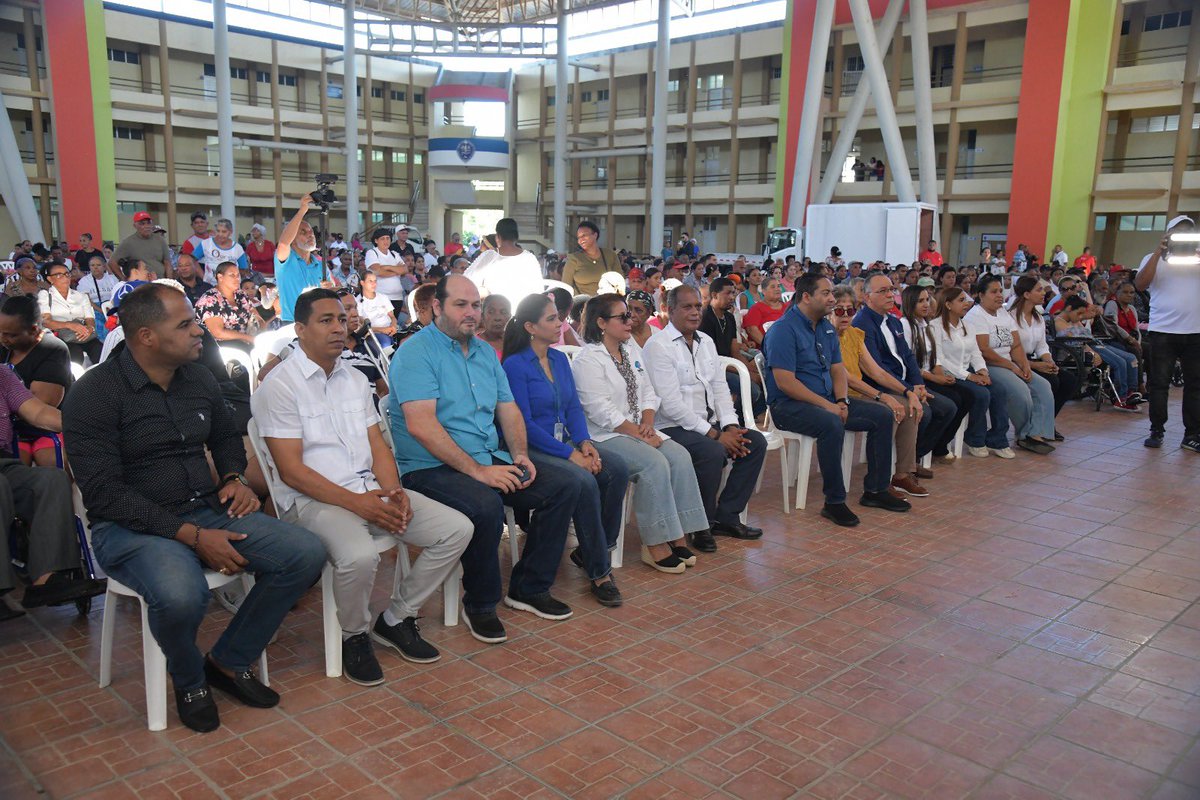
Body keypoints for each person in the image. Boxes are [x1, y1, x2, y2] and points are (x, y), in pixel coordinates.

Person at [63, 284, 326, 732]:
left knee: (305, 553)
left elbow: (225, 437)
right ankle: (188, 680)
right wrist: (193, 537)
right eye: (184, 324)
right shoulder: (95, 394)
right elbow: (105, 493)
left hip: (205, 508)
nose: (197, 329)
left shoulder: (198, 377)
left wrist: (233, 478)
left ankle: (227, 660)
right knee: (183, 595)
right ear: (145, 336)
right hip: (130, 527)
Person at [252, 289, 470, 683]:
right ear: (299, 329)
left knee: (456, 529)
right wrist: (359, 504)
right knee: (359, 556)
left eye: (341, 318)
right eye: (325, 321)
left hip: (367, 489)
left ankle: (396, 618)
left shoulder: (353, 378)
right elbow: (291, 472)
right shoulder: (280, 386)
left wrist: (394, 492)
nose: (338, 327)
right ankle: (354, 635)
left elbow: (376, 443)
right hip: (312, 501)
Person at [389, 275, 580, 644]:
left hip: (486, 457)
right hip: (428, 467)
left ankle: (528, 587)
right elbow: (421, 426)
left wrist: (520, 454)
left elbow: (508, 409)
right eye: (461, 305)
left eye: (475, 305)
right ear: (437, 307)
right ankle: (480, 604)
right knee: (486, 503)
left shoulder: (482, 353)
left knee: (565, 484)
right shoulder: (416, 352)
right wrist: (479, 471)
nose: (472, 313)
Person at [501, 294, 629, 607]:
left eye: (559, 317)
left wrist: (584, 442)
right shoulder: (515, 365)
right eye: (551, 319)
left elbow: (572, 406)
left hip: (565, 441)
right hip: (532, 447)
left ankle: (592, 550)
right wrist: (569, 454)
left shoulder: (559, 359)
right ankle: (600, 572)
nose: (560, 323)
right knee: (582, 481)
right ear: (530, 326)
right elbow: (524, 424)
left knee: (616, 469)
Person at [571, 293, 712, 567]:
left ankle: (678, 536)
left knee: (680, 457)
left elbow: (649, 391)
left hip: (639, 428)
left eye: (631, 314)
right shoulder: (588, 359)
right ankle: (655, 543)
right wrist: (638, 433)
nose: (631, 320)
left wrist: (647, 424)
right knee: (654, 464)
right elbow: (599, 410)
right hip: (605, 435)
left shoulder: (630, 348)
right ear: (601, 322)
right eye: (622, 316)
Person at [763, 274, 911, 527]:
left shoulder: (826, 327)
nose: (832, 298)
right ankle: (834, 502)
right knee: (831, 423)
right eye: (825, 293)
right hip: (788, 406)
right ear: (806, 297)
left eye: (832, 292)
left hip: (828, 400)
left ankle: (875, 491)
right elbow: (785, 382)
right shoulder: (783, 330)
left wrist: (841, 400)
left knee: (882, 415)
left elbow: (837, 370)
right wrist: (829, 406)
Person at [643, 285, 767, 541]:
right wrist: (714, 434)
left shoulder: (706, 341)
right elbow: (670, 405)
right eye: (687, 307)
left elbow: (719, 387)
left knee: (755, 443)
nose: (694, 312)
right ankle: (700, 524)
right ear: (670, 310)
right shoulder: (658, 346)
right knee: (712, 451)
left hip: (708, 424)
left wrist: (731, 426)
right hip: (671, 427)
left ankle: (727, 516)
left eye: (698, 306)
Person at [0, 365, 102, 620]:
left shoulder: (2, 374)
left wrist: (85, 425)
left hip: (4, 463)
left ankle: (47, 580)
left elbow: (36, 412)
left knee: (51, 480)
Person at [854, 274, 956, 475]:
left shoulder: (893, 321)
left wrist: (918, 384)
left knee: (948, 408)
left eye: (891, 289)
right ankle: (904, 466)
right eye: (882, 291)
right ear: (867, 298)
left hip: (905, 383)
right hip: (882, 386)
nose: (890, 294)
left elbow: (907, 357)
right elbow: (877, 369)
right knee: (922, 412)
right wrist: (908, 389)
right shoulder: (863, 324)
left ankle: (914, 456)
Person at [966, 274, 1057, 454]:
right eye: (994, 292)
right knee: (1020, 391)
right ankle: (1024, 435)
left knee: (1043, 386)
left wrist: (1024, 364)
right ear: (981, 295)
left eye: (1000, 291)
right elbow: (984, 350)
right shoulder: (975, 315)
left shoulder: (1002, 313)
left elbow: (1015, 344)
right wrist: (1012, 367)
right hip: (988, 365)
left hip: (1009, 363)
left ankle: (1036, 433)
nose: (999, 295)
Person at [925, 287, 1014, 458]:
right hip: (948, 373)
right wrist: (969, 376)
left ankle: (998, 439)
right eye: (961, 300)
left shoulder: (968, 325)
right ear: (948, 304)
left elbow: (975, 353)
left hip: (968, 370)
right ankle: (975, 438)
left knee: (999, 390)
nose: (966, 304)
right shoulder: (935, 326)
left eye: (966, 299)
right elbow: (940, 359)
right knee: (980, 394)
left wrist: (982, 371)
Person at [1135, 216, 1200, 451]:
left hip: (1196, 331)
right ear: (1168, 234)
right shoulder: (1153, 258)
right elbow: (1140, 284)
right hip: (1163, 330)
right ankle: (1157, 430)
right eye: (1177, 232)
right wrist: (1158, 252)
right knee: (1159, 383)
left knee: (1195, 385)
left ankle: (1192, 434)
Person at [0, 295, 74, 467]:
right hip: (13, 428)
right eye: (0, 332)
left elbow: (43, 404)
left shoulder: (53, 349)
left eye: (11, 335)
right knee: (16, 465)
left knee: (52, 465)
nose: (3, 339)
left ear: (34, 330)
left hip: (45, 428)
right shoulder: (4, 347)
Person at [1010, 276, 1076, 433]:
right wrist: (1036, 365)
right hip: (1017, 362)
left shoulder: (1038, 317)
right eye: (1038, 290)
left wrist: (1049, 362)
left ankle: (1047, 422)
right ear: (1026, 294)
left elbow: (1042, 346)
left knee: (1069, 380)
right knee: (1052, 381)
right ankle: (1036, 425)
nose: (1043, 293)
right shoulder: (1011, 317)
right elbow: (1009, 351)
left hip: (1035, 359)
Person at [1055, 296, 1141, 410]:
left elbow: (1086, 334)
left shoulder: (1073, 320)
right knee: (1120, 362)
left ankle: (1132, 391)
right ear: (1069, 308)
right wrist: (1093, 353)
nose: (1080, 317)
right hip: (1084, 349)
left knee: (1131, 358)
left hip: (1094, 343)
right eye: (1079, 313)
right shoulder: (1058, 322)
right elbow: (1078, 341)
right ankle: (1121, 397)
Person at [464, 218, 544, 308]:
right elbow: (538, 291)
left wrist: (485, 291)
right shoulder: (529, 258)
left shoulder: (489, 256)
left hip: (494, 315)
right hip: (524, 315)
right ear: (516, 237)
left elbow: (466, 282)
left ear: (498, 237)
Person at [274, 194, 329, 323]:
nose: (310, 235)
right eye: (303, 232)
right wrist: (302, 210)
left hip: (317, 323)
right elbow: (283, 243)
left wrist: (330, 289)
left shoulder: (320, 265)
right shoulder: (285, 260)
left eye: (311, 231)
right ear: (293, 240)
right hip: (292, 323)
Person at [38, 262, 101, 365]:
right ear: (50, 279)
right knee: (74, 355)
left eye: (67, 274)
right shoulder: (45, 295)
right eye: (59, 275)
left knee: (99, 351)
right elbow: (46, 322)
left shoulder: (81, 296)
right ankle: (75, 380)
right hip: (61, 337)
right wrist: (69, 325)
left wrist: (90, 329)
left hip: (83, 333)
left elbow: (90, 318)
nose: (65, 277)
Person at [195, 262, 260, 353]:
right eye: (232, 275)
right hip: (220, 348)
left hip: (246, 341)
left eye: (238, 275)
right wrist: (249, 338)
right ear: (220, 277)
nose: (237, 278)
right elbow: (218, 332)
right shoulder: (210, 299)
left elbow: (257, 316)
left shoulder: (240, 294)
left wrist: (261, 332)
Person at [563, 221, 619, 296]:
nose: (581, 240)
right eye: (578, 237)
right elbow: (566, 286)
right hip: (582, 304)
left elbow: (619, 281)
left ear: (595, 235)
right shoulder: (574, 258)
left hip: (606, 303)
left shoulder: (610, 255)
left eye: (584, 235)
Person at [112, 211, 172, 280]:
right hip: (142, 284)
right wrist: (124, 280)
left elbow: (167, 263)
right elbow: (112, 263)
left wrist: (169, 282)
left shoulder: (160, 240)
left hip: (161, 282)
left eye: (149, 223)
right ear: (135, 226)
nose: (146, 226)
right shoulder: (128, 243)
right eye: (142, 224)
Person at [364, 228, 408, 319]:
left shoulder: (394, 254)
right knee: (384, 324)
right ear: (376, 240)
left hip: (397, 298)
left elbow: (405, 270)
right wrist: (396, 270)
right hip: (381, 297)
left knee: (394, 327)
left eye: (388, 238)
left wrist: (387, 267)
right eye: (382, 238)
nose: (386, 241)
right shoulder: (372, 253)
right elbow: (378, 271)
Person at [192, 219, 249, 284]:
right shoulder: (206, 244)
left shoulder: (237, 248)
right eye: (218, 231)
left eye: (224, 232)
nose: (220, 234)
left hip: (230, 287)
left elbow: (243, 269)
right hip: (210, 286)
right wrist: (203, 277)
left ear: (230, 232)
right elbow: (192, 260)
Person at [357, 270, 399, 347]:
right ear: (362, 283)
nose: (374, 284)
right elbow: (363, 325)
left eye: (375, 281)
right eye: (370, 281)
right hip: (374, 333)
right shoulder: (358, 301)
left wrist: (393, 326)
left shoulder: (383, 297)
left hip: (390, 330)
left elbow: (392, 317)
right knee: (385, 343)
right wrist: (382, 330)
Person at [743, 276, 786, 348]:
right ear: (764, 291)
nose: (777, 289)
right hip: (767, 348)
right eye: (772, 287)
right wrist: (769, 346)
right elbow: (752, 330)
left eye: (778, 286)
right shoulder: (756, 308)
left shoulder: (787, 307)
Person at [477, 294, 511, 360]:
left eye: (503, 312)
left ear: (509, 317)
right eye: (491, 312)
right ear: (482, 316)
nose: (497, 318)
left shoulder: (516, 344)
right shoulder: (471, 345)